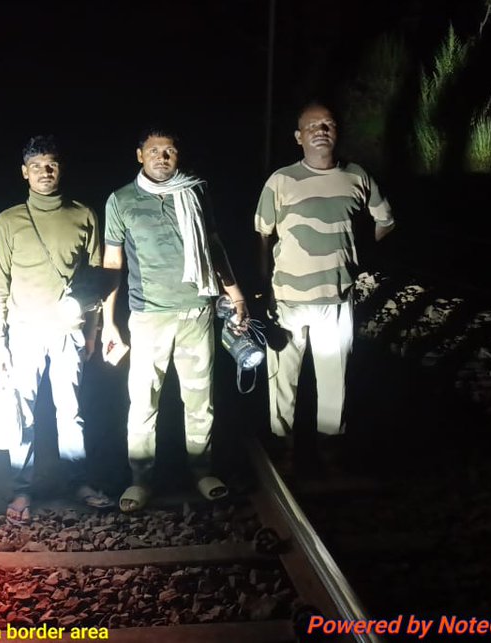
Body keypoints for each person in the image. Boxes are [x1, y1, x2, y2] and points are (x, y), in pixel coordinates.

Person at [101, 127, 247, 512]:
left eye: (169, 151)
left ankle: (202, 471)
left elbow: (213, 244)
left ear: (178, 156)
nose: (161, 158)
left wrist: (236, 293)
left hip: (196, 312)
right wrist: (109, 321)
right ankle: (141, 479)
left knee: (200, 400)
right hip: (148, 316)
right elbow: (112, 264)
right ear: (139, 155)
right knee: (143, 403)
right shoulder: (120, 200)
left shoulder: (195, 191)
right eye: (153, 150)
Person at [0, 135, 113, 523]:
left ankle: (77, 480)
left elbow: (95, 281)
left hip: (68, 333)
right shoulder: (8, 221)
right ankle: (21, 489)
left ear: (61, 168)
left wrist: (91, 332)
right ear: (24, 172)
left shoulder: (84, 215)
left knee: (70, 411)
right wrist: (0, 341)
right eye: (37, 165)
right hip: (24, 332)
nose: (45, 171)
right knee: (21, 412)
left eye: (51, 164)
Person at [255, 102, 395, 449]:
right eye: (313, 126)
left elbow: (385, 221)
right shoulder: (281, 181)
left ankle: (331, 447)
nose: (321, 130)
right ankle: (281, 445)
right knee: (282, 379)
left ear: (337, 133)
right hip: (287, 298)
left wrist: (357, 256)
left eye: (328, 124)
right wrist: (263, 288)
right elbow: (262, 234)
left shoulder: (357, 176)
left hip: (336, 298)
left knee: (335, 380)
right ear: (298, 136)